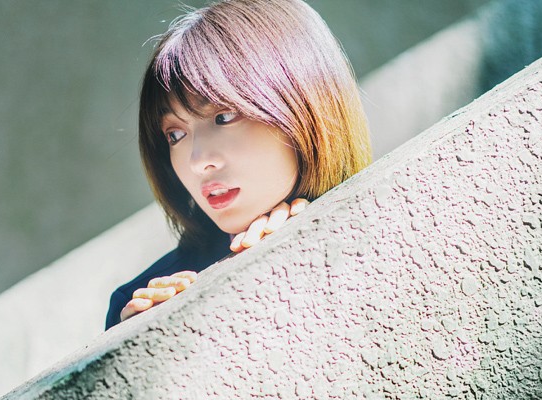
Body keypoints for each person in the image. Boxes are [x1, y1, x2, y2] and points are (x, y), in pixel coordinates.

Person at [105, 0, 371, 330]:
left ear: (302, 104)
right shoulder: (138, 302)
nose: (198, 161)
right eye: (175, 135)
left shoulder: (385, 224)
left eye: (224, 116)